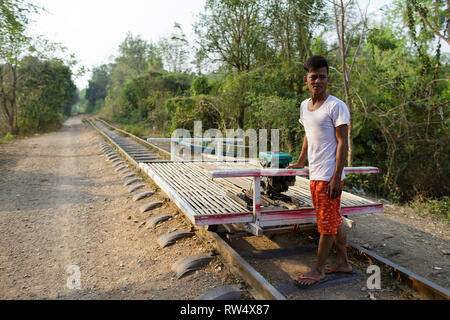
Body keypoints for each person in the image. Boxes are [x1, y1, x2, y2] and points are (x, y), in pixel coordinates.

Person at [288, 55, 353, 288]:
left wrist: (337, 176)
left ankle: (318, 270)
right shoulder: (305, 106)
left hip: (329, 176)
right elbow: (308, 135)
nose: (318, 81)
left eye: (322, 77)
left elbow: (342, 143)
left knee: (325, 225)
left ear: (328, 79)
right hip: (315, 174)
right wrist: (300, 161)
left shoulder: (336, 106)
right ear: (306, 79)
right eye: (313, 77)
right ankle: (343, 263)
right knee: (333, 221)